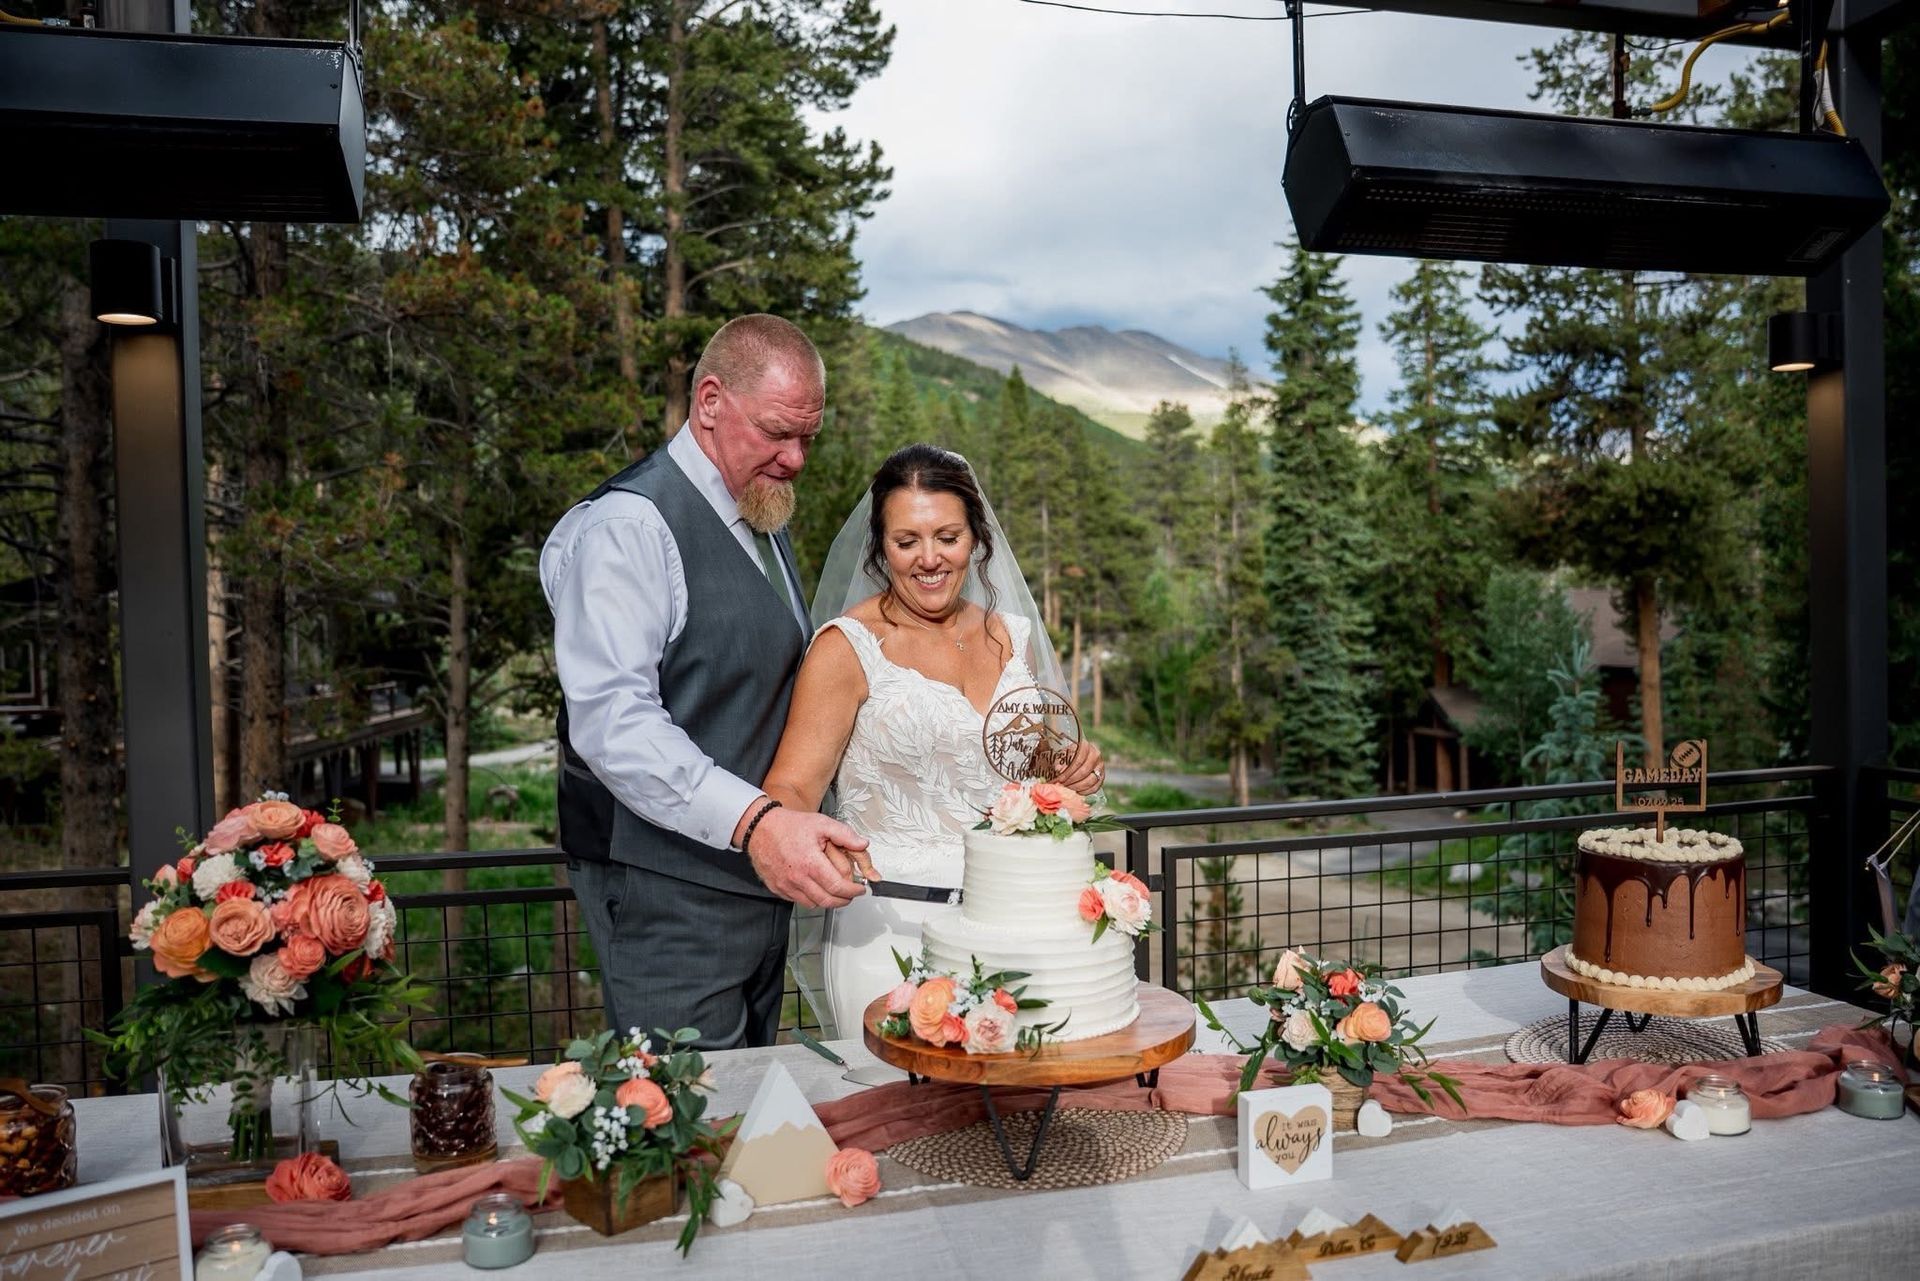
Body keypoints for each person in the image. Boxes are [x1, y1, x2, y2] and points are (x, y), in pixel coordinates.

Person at [541, 314, 876, 1050]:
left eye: (807, 438)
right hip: (667, 896)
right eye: (777, 432)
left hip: (757, 892)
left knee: (752, 1116)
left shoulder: (759, 512)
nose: (795, 459)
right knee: (688, 1124)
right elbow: (613, 725)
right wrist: (755, 823)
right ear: (710, 401)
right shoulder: (628, 528)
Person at [760, 444, 1103, 1038]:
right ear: (880, 546)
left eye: (947, 537)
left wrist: (1073, 769)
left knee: (1011, 1123)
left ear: (976, 538)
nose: (929, 559)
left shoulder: (1010, 636)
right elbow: (790, 785)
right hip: (890, 933)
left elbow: (1031, 761)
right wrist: (806, 840)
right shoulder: (847, 647)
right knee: (901, 1122)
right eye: (906, 541)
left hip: (1011, 927)